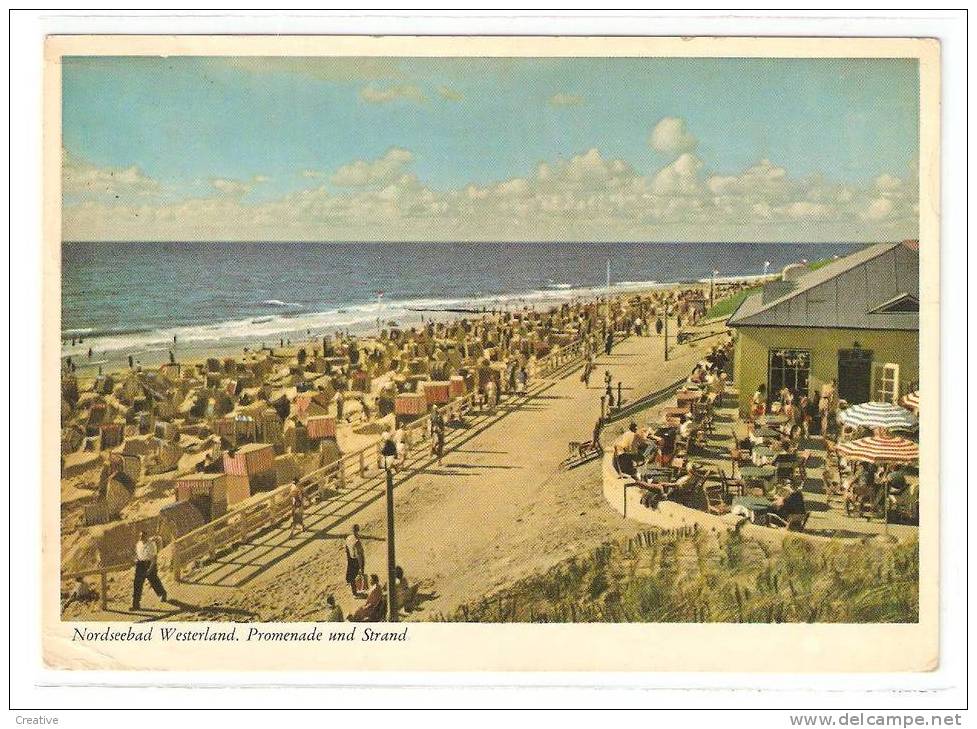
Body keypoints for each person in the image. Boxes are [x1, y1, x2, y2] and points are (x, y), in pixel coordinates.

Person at [132, 531, 167, 610]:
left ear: (146, 536)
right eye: (140, 536)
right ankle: (136, 604)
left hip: (150, 563)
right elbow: (138, 554)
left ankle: (162, 593)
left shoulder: (151, 544)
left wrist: (150, 569)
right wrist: (136, 560)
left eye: (143, 536)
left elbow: (154, 558)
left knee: (154, 580)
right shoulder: (138, 544)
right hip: (140, 564)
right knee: (137, 583)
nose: (141, 538)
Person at [344, 525, 366, 596]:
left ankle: (354, 590)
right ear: (358, 530)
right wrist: (361, 566)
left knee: (351, 575)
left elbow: (346, 549)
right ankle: (356, 592)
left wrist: (349, 559)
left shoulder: (348, 538)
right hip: (356, 560)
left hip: (350, 558)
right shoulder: (357, 542)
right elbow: (359, 555)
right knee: (357, 575)